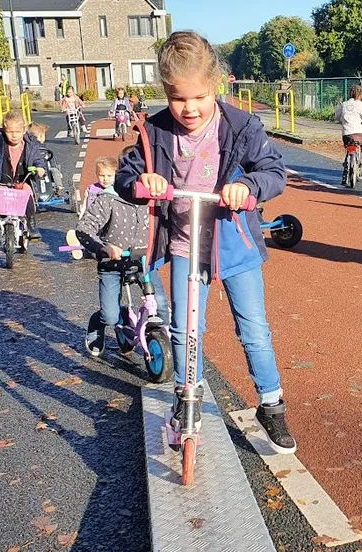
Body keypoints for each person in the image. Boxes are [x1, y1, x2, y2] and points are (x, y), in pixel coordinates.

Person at [115, 30, 296, 454]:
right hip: (183, 243)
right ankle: (186, 395)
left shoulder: (240, 126)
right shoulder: (155, 131)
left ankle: (271, 404)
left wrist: (249, 186)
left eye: (198, 97)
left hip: (233, 245)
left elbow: (273, 171)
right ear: (166, 92)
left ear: (214, 86)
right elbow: (127, 173)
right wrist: (142, 181)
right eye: (178, 99)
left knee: (253, 329)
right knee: (184, 328)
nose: (189, 108)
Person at [74, 158, 169, 357]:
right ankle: (97, 322)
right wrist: (104, 248)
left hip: (142, 261)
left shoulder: (153, 199)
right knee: (110, 316)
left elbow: (168, 224)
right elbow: (84, 229)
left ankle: (164, 345)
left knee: (159, 305)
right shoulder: (107, 199)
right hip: (112, 264)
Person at [0, 110, 46, 240]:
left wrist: (40, 167)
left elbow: (37, 158)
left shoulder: (30, 145)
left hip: (22, 180)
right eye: (10, 132)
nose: (14, 135)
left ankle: (31, 224)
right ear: (4, 131)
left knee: (28, 197)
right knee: (0, 199)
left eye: (17, 132)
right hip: (3, 179)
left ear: (23, 131)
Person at [333, 84, 362, 171]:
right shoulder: (359, 105)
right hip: (357, 132)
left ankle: (347, 159)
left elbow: (337, 116)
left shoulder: (344, 104)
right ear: (360, 94)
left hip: (346, 134)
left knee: (348, 144)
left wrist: (340, 120)